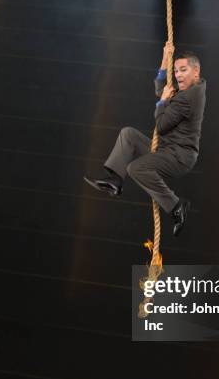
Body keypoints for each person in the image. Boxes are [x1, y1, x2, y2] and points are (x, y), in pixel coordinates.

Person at [83, 42, 206, 236]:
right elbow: (162, 89)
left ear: (196, 71)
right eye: (176, 71)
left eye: (183, 70)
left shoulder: (188, 98)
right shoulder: (194, 87)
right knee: (128, 134)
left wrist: (163, 102)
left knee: (136, 168)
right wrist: (166, 60)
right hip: (167, 149)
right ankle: (115, 181)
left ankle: (176, 206)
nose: (178, 75)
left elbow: (162, 126)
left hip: (179, 156)